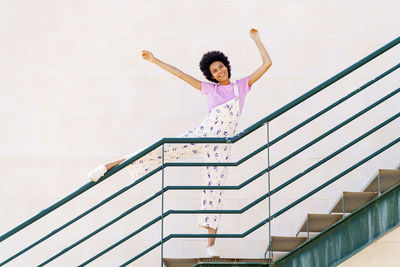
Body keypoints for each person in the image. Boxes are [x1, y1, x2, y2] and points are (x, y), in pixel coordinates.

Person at [88, 28, 272, 258]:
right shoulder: (210, 89)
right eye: (214, 70)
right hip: (203, 134)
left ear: (226, 66)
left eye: (221, 66)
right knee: (162, 150)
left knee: (215, 188)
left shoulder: (241, 86)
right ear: (211, 75)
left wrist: (257, 40)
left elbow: (267, 64)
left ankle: (210, 247)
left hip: (221, 145)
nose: (219, 71)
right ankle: (107, 166)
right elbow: (180, 74)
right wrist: (155, 60)